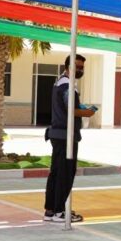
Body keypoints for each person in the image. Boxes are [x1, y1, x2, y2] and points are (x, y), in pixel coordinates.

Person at [43, 54, 95, 223]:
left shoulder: (61, 82)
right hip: (65, 135)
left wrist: (80, 108)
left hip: (58, 134)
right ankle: (59, 212)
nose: (80, 70)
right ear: (68, 67)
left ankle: (50, 210)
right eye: (77, 67)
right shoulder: (67, 85)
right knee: (65, 173)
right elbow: (71, 109)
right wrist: (87, 112)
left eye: (82, 68)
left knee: (56, 173)